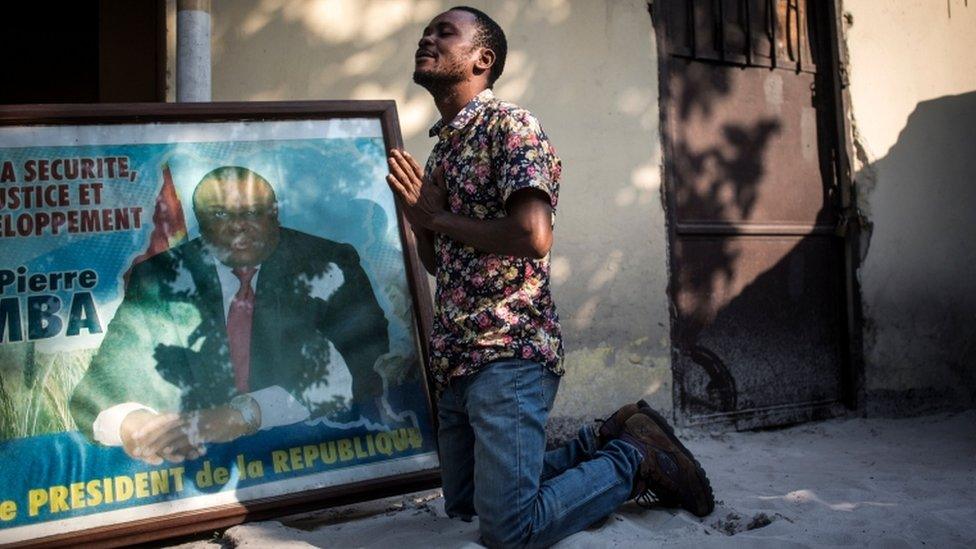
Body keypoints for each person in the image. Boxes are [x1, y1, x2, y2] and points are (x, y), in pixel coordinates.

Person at [385, 6, 715, 547]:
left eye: (445, 32)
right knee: (465, 505)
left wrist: (437, 217)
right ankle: (604, 439)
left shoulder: (510, 125)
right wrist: (422, 224)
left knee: (511, 530)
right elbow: (443, 263)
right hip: (456, 355)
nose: (428, 37)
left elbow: (533, 234)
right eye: (427, 31)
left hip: (507, 350)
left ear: (482, 60)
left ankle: (634, 458)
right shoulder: (444, 147)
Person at [69, 166, 389, 465]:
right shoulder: (160, 277)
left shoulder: (328, 265)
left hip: (313, 457)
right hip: (199, 473)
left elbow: (365, 370)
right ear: (199, 222)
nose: (237, 225)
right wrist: (132, 422)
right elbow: (95, 394)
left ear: (274, 215)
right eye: (219, 213)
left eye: (251, 212)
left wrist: (246, 414)